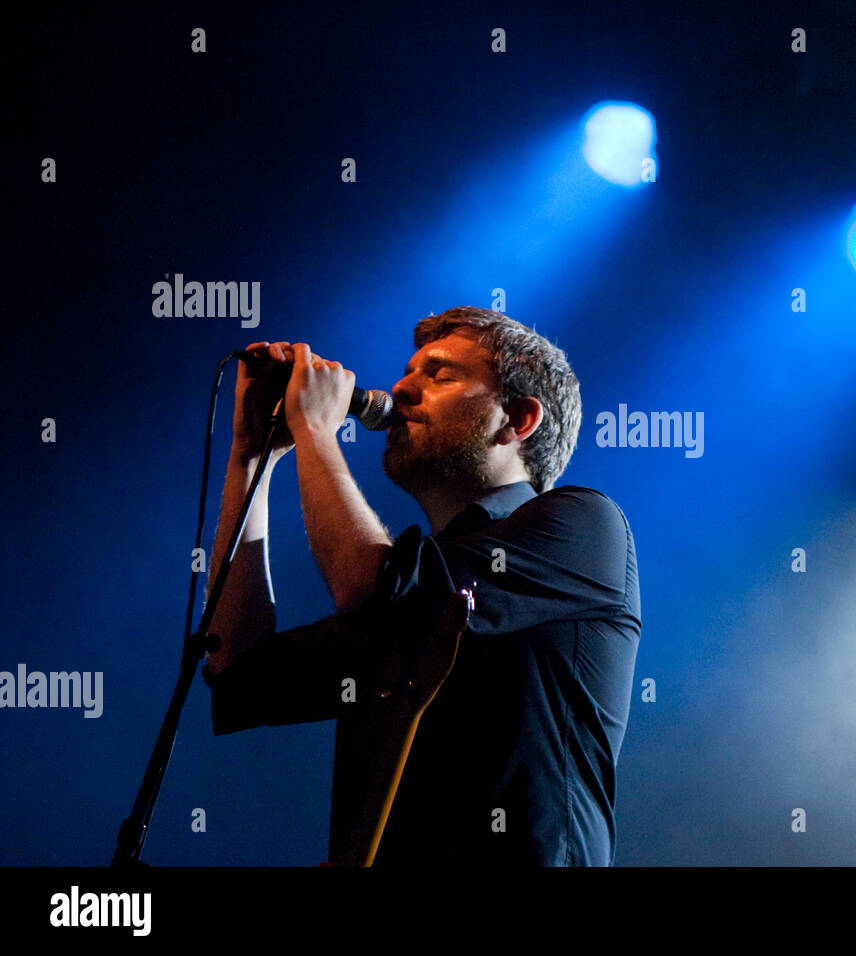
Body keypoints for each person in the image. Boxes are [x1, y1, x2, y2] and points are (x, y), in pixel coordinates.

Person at [200, 307, 641, 866]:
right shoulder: (412, 593)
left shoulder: (584, 526)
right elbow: (239, 669)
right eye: (409, 372)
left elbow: (374, 586)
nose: (402, 389)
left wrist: (316, 427)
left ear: (518, 420)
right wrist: (250, 459)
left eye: (440, 375)